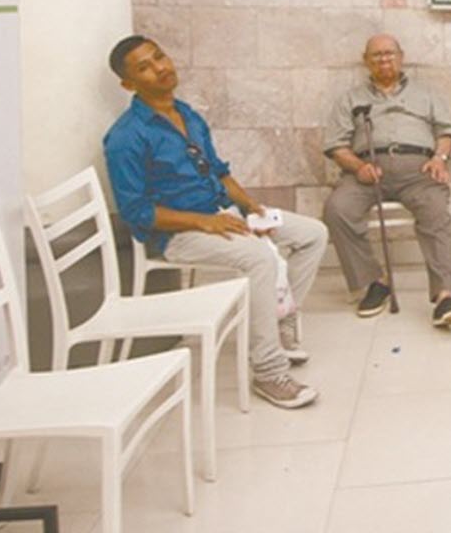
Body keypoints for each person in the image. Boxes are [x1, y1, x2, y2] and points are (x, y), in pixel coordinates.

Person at [103, 35, 325, 409]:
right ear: (129, 84)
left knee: (313, 234)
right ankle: (268, 371)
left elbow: (219, 173)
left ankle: (277, 320)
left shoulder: (186, 113)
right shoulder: (125, 137)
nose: (160, 68)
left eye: (159, 56)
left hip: (223, 212)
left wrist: (252, 208)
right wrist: (205, 222)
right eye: (144, 67)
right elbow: (137, 211)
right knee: (260, 259)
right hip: (178, 234)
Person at [321, 34, 451, 327]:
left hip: (418, 170)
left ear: (401, 57)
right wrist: (358, 166)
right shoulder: (350, 99)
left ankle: (444, 296)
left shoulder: (426, 94)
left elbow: (448, 131)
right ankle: (375, 282)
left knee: (436, 210)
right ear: (366, 61)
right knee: (337, 209)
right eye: (376, 55)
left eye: (389, 53)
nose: (384, 59)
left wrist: (439, 158)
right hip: (366, 171)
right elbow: (336, 145)